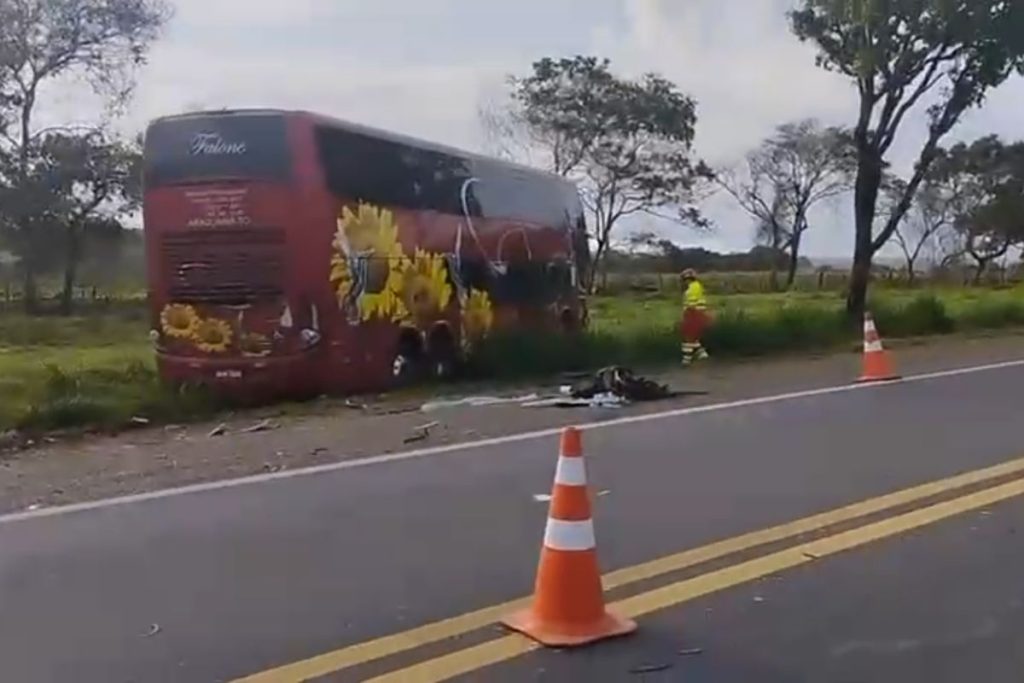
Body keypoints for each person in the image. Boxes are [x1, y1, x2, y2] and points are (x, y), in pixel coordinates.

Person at [679, 268, 710, 366]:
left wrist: (687, 312)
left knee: (688, 338)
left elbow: (691, 303)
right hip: (698, 313)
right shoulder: (696, 286)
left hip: (694, 314)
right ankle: (702, 355)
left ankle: (686, 360)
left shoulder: (692, 288)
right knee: (693, 337)